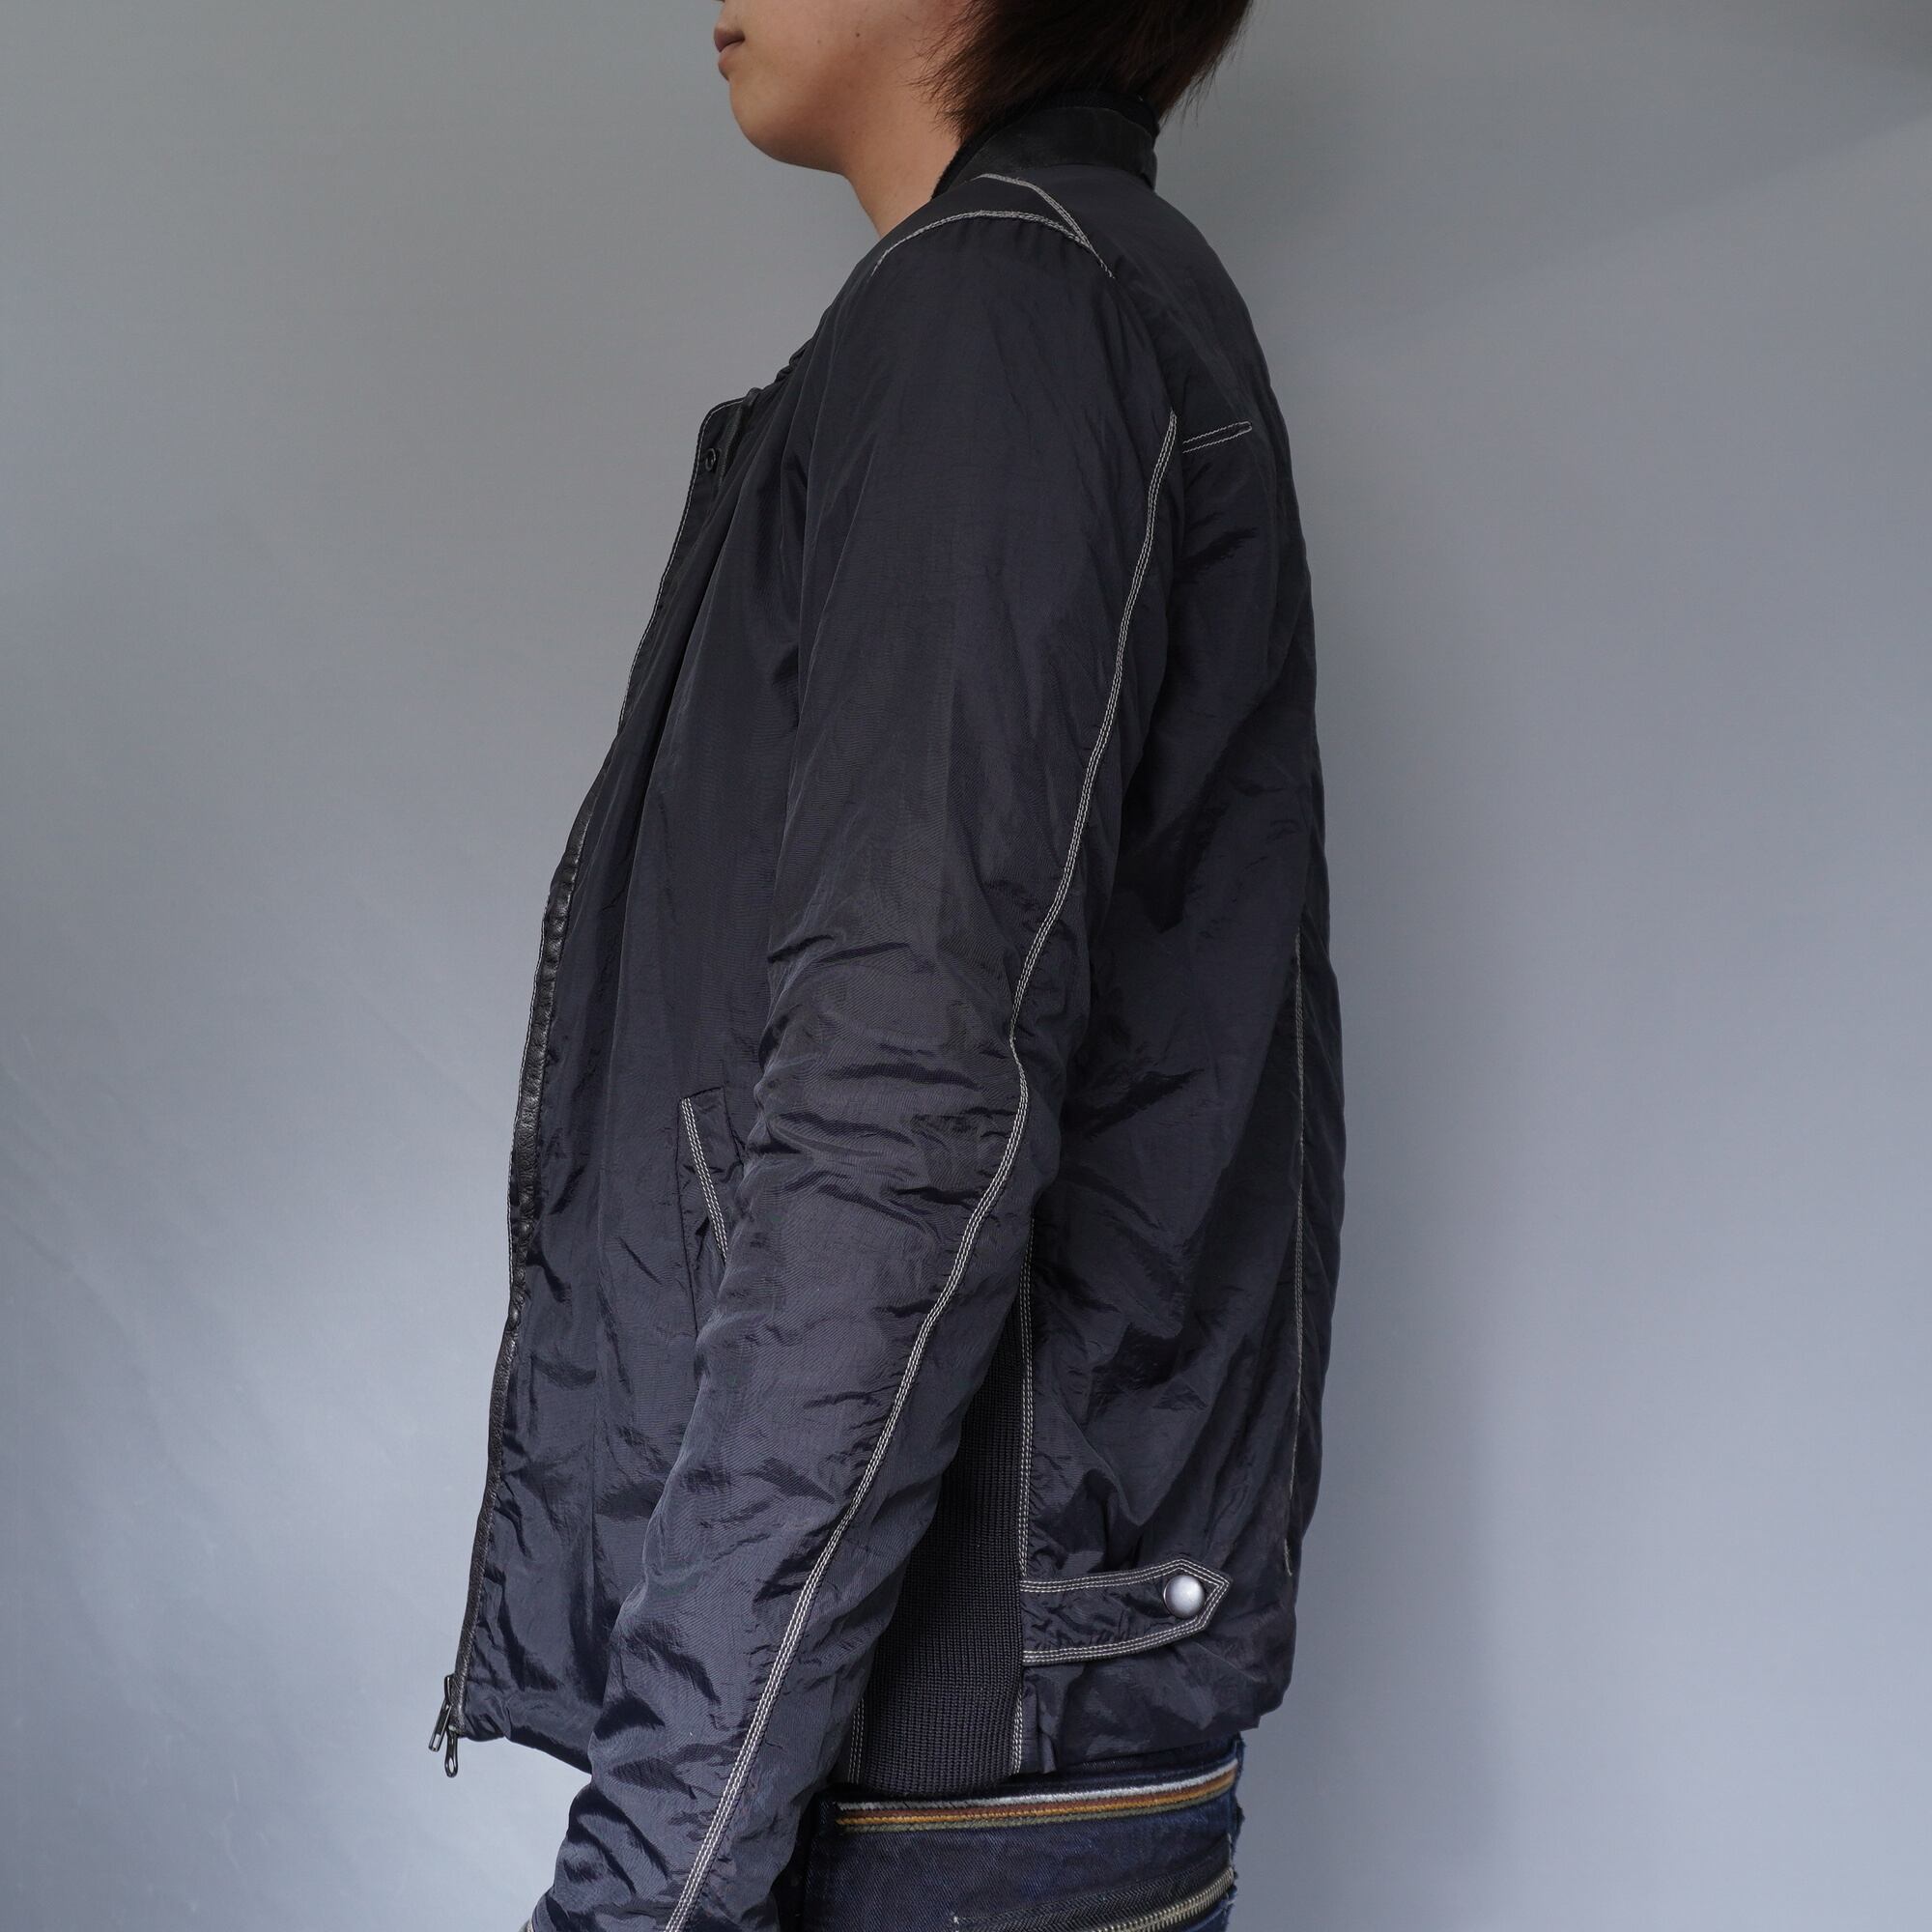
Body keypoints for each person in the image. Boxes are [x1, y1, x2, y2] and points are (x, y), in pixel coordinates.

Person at [430, 3, 1345, 1927]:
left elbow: (902, 1108)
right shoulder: (1054, 291)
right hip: (978, 1759)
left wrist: (652, 1870)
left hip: (933, 1791)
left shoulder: (1002, 303)